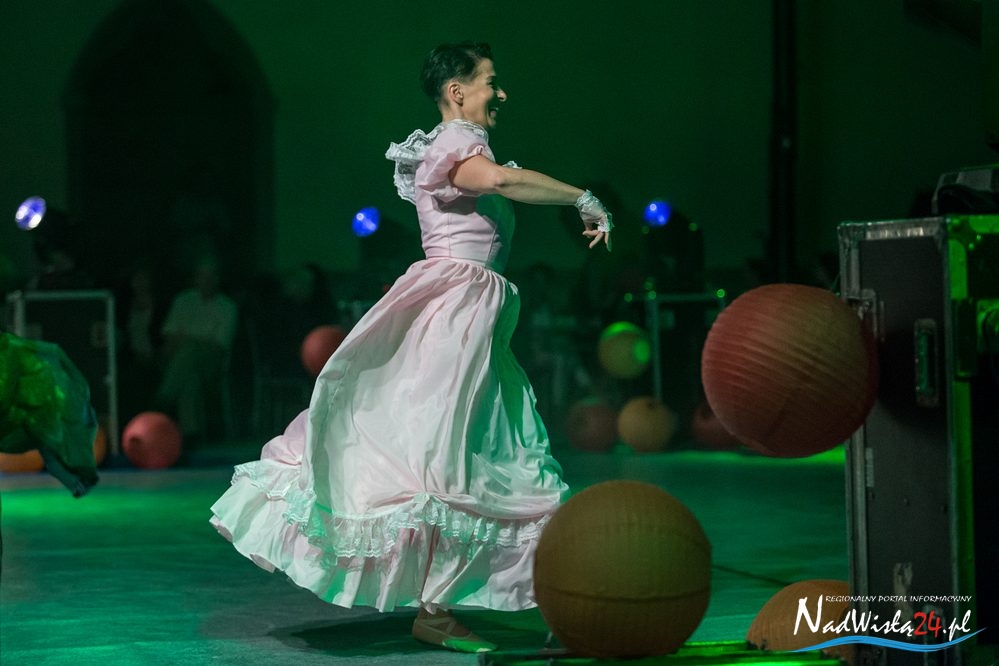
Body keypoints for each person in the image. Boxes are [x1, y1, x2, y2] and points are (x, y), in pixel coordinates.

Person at [210, 41, 613, 654]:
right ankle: (450, 606)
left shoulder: (459, 145)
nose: (499, 93)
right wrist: (581, 196)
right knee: (448, 452)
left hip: (473, 321)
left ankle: (512, 595)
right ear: (457, 91)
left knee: (488, 449)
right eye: (490, 81)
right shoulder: (455, 144)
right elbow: (500, 180)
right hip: (453, 315)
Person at [153, 255, 238, 441]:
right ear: (195, 278)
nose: (206, 280)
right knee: (189, 375)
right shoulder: (183, 301)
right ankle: (191, 434)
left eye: (211, 276)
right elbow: (169, 336)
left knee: (190, 351)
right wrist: (195, 341)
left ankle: (164, 399)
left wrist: (190, 341)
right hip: (179, 361)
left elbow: (218, 346)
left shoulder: (227, 307)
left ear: (217, 278)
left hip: (212, 365)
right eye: (202, 276)